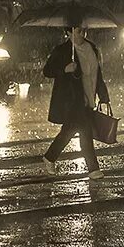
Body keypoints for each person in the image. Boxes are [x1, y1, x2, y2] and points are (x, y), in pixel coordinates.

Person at [41, 25, 110, 179]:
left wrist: (103, 95)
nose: (82, 34)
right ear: (68, 32)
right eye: (78, 31)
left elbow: (97, 74)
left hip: (88, 97)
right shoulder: (62, 50)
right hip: (71, 100)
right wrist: (65, 69)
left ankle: (50, 156)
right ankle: (93, 169)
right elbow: (47, 71)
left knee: (70, 130)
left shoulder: (91, 48)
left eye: (84, 30)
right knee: (85, 131)